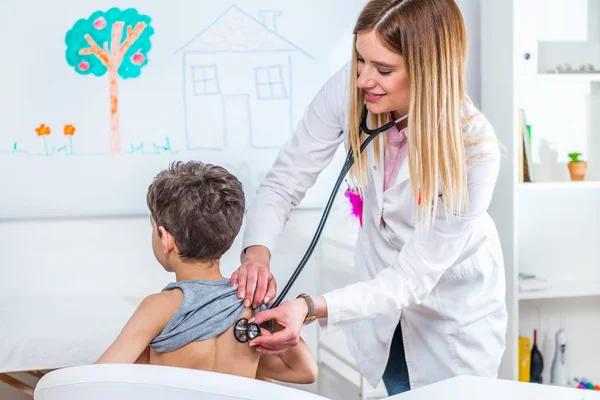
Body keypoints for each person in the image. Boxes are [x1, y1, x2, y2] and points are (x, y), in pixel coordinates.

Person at [230, 0, 507, 396]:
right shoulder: (352, 90)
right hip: (379, 314)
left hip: (450, 319)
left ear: (429, 71)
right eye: (360, 60)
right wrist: (256, 254)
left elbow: (411, 278)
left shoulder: (473, 151)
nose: (362, 79)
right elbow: (285, 180)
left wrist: (308, 306)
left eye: (383, 69)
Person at [96, 161, 318, 385]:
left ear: (165, 239)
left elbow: (96, 380)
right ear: (229, 238)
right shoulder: (251, 304)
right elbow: (306, 372)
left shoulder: (160, 306)